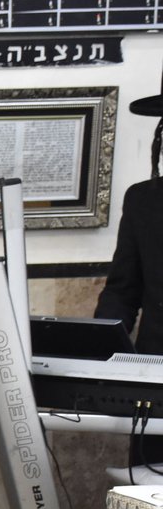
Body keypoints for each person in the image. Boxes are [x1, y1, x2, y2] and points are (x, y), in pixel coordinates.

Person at [96, 91, 163, 465]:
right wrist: (99, 354)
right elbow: (122, 291)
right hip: (155, 383)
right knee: (147, 491)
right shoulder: (144, 200)